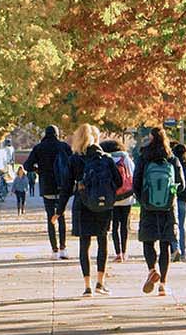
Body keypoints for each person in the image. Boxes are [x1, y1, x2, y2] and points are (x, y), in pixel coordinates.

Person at [135, 131, 182, 295]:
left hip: (148, 208)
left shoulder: (143, 158)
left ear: (151, 139)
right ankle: (163, 284)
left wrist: (144, 201)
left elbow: (136, 183)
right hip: (168, 209)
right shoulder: (172, 159)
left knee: (148, 241)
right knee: (165, 244)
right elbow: (181, 184)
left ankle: (151, 270)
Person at [23, 125, 77, 260]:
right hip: (63, 186)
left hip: (47, 186)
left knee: (50, 217)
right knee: (61, 216)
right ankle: (64, 248)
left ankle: (54, 250)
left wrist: (38, 169)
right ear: (57, 134)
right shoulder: (64, 147)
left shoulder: (39, 148)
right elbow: (72, 164)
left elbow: (27, 165)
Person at [73, 143, 118, 294]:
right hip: (104, 207)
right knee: (102, 242)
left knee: (84, 246)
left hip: (85, 206)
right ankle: (100, 282)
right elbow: (118, 181)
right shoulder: (108, 161)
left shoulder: (82, 162)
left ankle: (87, 286)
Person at [102, 139, 136, 263]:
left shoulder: (106, 159)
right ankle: (125, 251)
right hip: (127, 197)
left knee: (115, 226)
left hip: (113, 198)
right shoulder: (126, 158)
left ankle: (118, 253)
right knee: (124, 226)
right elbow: (133, 174)